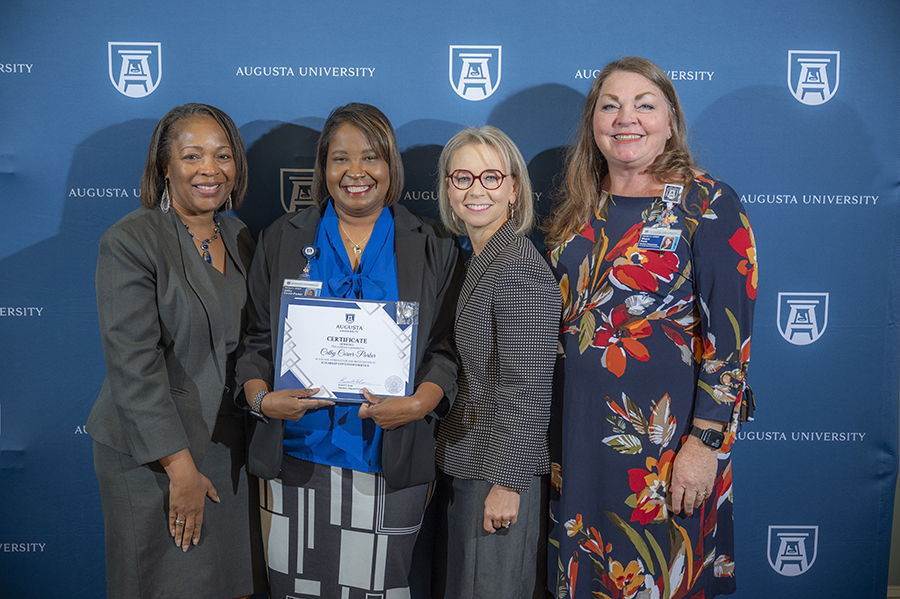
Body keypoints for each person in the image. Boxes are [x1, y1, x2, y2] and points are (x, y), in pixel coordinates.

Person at [543, 57, 757, 598]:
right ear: (593, 122)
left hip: (664, 452)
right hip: (580, 443)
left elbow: (730, 342)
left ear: (670, 119)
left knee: (660, 578)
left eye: (644, 105)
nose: (625, 118)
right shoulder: (578, 207)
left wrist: (705, 444)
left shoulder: (707, 204)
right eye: (610, 106)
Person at [236, 103, 463, 598]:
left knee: (380, 589)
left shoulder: (432, 244)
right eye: (340, 159)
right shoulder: (281, 238)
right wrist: (260, 400)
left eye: (372, 157)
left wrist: (420, 404)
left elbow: (446, 349)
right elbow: (255, 342)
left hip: (389, 458)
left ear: (392, 168)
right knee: (296, 588)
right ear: (323, 169)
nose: (355, 172)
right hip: (296, 459)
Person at [87, 103, 266, 598]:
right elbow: (134, 368)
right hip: (155, 455)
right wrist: (181, 470)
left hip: (229, 450)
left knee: (232, 585)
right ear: (164, 166)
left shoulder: (241, 236)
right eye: (192, 155)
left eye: (223, 155)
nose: (210, 169)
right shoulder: (130, 241)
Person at [432, 126, 561, 599]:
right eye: (463, 177)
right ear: (448, 188)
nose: (476, 189)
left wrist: (507, 482)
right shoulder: (476, 258)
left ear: (514, 188)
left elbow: (525, 387)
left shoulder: (520, 268)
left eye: (491, 176)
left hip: (499, 473)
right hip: (468, 461)